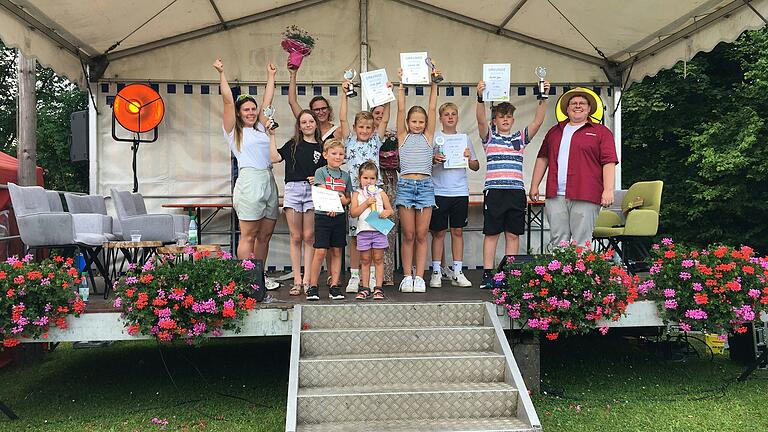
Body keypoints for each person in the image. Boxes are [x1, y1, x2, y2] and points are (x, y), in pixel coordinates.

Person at [476, 79, 550, 289]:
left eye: (509, 116)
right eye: (501, 117)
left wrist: (543, 97)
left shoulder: (520, 138)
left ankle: (510, 273)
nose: (505, 120)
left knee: (512, 234)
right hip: (495, 192)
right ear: (495, 120)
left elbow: (537, 122)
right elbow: (480, 121)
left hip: (516, 191)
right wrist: (480, 98)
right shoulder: (489, 138)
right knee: (491, 233)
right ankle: (488, 275)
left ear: (513, 119)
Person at [214, 58, 279, 289]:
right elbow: (227, 102)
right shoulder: (233, 132)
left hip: (268, 179)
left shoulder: (261, 128)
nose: (251, 112)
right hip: (250, 180)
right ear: (240, 114)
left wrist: (271, 76)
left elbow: (267, 100)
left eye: (253, 109)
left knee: (265, 235)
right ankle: (245, 279)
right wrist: (221, 73)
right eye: (247, 110)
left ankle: (259, 277)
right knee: (248, 235)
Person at [530, 88, 618, 249]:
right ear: (567, 108)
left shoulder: (601, 132)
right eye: (573, 103)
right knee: (558, 241)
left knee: (582, 242)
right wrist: (534, 185)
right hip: (556, 195)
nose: (578, 106)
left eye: (582, 103)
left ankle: (582, 274)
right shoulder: (554, 131)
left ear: (590, 108)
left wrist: (608, 190)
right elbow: (543, 157)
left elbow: (609, 161)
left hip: (586, 193)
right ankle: (559, 274)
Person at [339, 79, 391, 293]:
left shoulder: (375, 141)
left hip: (375, 195)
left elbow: (386, 119)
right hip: (355, 194)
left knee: (375, 233)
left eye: (368, 127)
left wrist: (387, 95)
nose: (364, 130)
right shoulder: (349, 140)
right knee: (355, 235)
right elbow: (342, 117)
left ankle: (372, 276)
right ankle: (355, 274)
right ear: (354, 128)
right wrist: (343, 94)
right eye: (361, 126)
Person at [267, 109, 326, 296]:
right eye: (304, 122)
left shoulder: (321, 146)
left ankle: (308, 279)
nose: (308, 125)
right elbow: (275, 158)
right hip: (293, 190)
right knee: (296, 236)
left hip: (312, 193)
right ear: (299, 126)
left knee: (309, 236)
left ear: (316, 123)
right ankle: (297, 280)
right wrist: (272, 135)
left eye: (311, 121)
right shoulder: (293, 144)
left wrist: (317, 178)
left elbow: (327, 171)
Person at [395, 67, 438, 293]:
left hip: (425, 186)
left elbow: (432, 107)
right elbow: (400, 109)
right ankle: (407, 275)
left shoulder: (429, 137)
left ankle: (420, 276)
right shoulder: (402, 136)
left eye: (422, 122)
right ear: (408, 123)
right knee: (408, 234)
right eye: (414, 121)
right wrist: (401, 85)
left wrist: (434, 84)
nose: (418, 125)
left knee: (422, 234)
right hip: (405, 185)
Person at [429, 102, 479, 288]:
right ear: (440, 118)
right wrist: (435, 159)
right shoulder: (434, 138)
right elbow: (427, 165)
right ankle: (436, 271)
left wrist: (468, 158)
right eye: (446, 114)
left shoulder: (464, 139)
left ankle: (458, 271)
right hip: (439, 191)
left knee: (458, 231)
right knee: (438, 233)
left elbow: (475, 166)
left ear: (457, 117)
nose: (450, 117)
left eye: (453, 114)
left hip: (460, 191)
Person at [306, 139, 353, 301]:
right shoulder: (321, 172)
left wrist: (342, 201)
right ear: (325, 155)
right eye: (334, 153)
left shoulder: (346, 176)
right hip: (323, 216)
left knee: (337, 250)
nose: (338, 156)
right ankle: (312, 286)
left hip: (339, 217)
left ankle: (335, 285)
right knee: (320, 251)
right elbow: (321, 189)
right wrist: (334, 201)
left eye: (341, 154)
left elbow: (347, 198)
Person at [349, 162, 394, 300]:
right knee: (365, 259)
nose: (369, 181)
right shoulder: (357, 194)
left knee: (379, 258)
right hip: (364, 231)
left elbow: (390, 210)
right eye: (365, 178)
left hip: (379, 230)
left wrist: (386, 213)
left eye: (372, 178)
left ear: (377, 179)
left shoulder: (381, 193)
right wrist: (366, 203)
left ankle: (378, 288)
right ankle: (365, 287)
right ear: (359, 178)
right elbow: (353, 213)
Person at [372, 105, 399, 289]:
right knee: (368, 228)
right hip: (370, 184)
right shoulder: (367, 137)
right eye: (376, 114)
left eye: (383, 114)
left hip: (390, 182)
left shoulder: (394, 136)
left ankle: (387, 273)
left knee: (388, 226)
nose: (380, 117)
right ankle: (368, 274)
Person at [288, 68, 343, 142]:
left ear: (329, 110)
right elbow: (292, 101)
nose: (321, 112)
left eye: (323, 108)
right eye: (317, 110)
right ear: (312, 112)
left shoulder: (338, 131)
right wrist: (293, 74)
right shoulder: (308, 127)